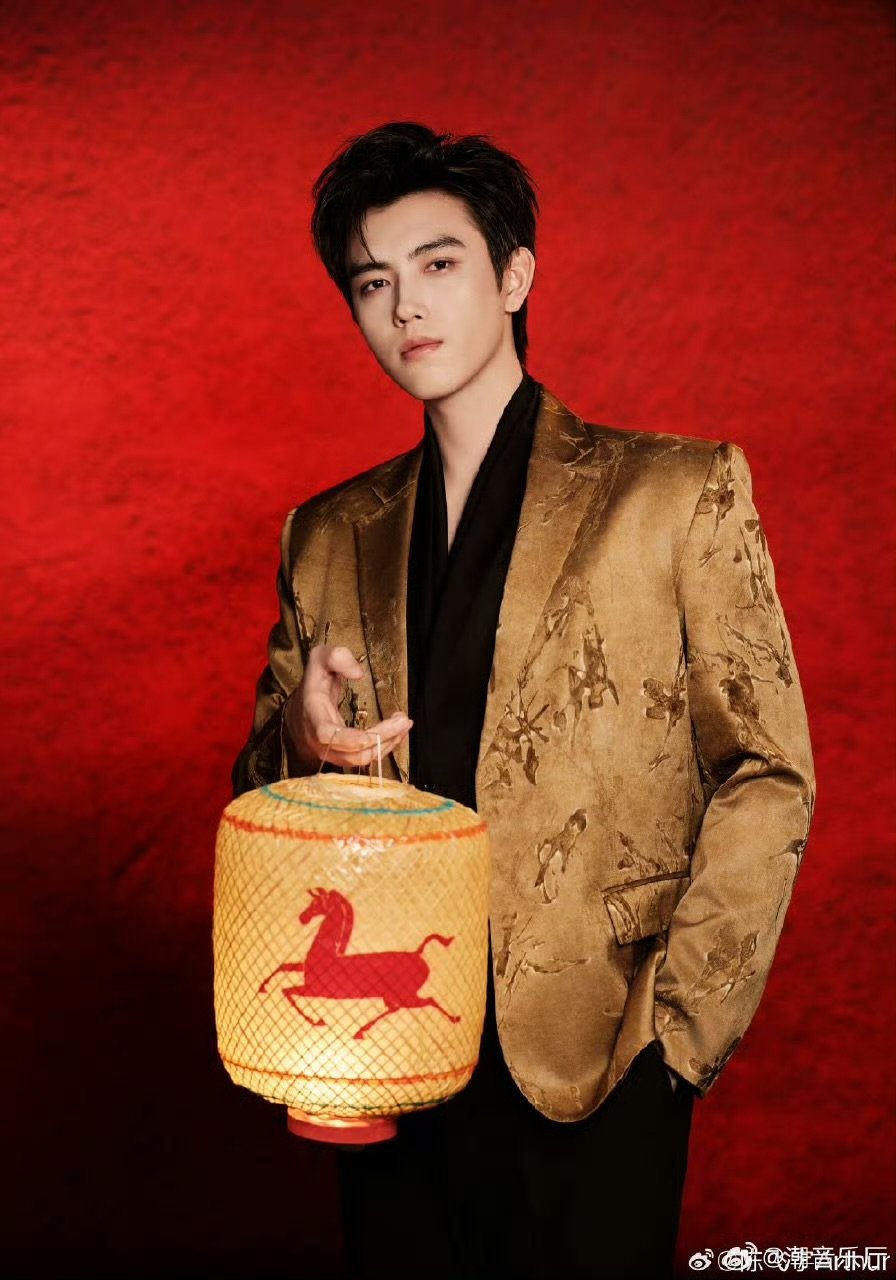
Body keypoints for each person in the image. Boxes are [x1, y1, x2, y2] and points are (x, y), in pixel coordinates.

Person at [231, 122, 815, 1279]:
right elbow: (262, 793)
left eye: (439, 262)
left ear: (514, 275)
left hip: (597, 1057)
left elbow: (768, 769)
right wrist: (295, 738)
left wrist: (676, 1036)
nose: (406, 304)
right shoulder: (328, 532)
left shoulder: (675, 491)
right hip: (386, 1057)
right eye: (373, 282)